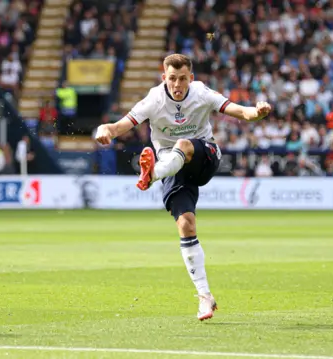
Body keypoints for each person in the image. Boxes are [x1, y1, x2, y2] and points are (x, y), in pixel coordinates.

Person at [95, 54, 271, 321]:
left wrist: (256, 112)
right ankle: (204, 296)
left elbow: (239, 111)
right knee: (186, 225)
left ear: (191, 78)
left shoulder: (201, 93)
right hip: (171, 164)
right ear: (164, 78)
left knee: (185, 145)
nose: (178, 84)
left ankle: (152, 175)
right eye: (172, 79)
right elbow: (118, 126)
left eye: (183, 79)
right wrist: (103, 130)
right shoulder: (154, 99)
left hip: (204, 155)